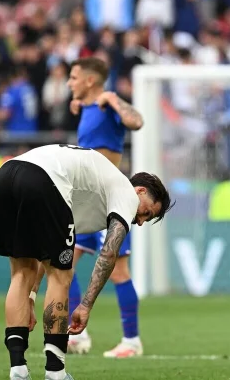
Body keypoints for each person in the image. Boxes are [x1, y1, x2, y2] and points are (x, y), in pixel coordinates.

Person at [0, 144, 172, 380]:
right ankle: (55, 372)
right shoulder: (126, 193)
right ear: (140, 191)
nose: (141, 221)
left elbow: (45, 253)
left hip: (6, 175)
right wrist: (85, 306)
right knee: (61, 275)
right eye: (147, 213)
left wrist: (31, 297)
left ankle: (18, 370)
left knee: (22, 273)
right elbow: (108, 254)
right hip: (44, 179)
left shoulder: (91, 194)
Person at [65, 57, 146, 358]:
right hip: (86, 200)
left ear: (90, 80)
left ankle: (131, 341)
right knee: (65, 264)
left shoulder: (107, 104)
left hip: (109, 199)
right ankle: (78, 335)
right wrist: (81, 105)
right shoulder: (87, 107)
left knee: (118, 272)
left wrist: (112, 99)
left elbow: (136, 122)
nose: (69, 83)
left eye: (74, 78)